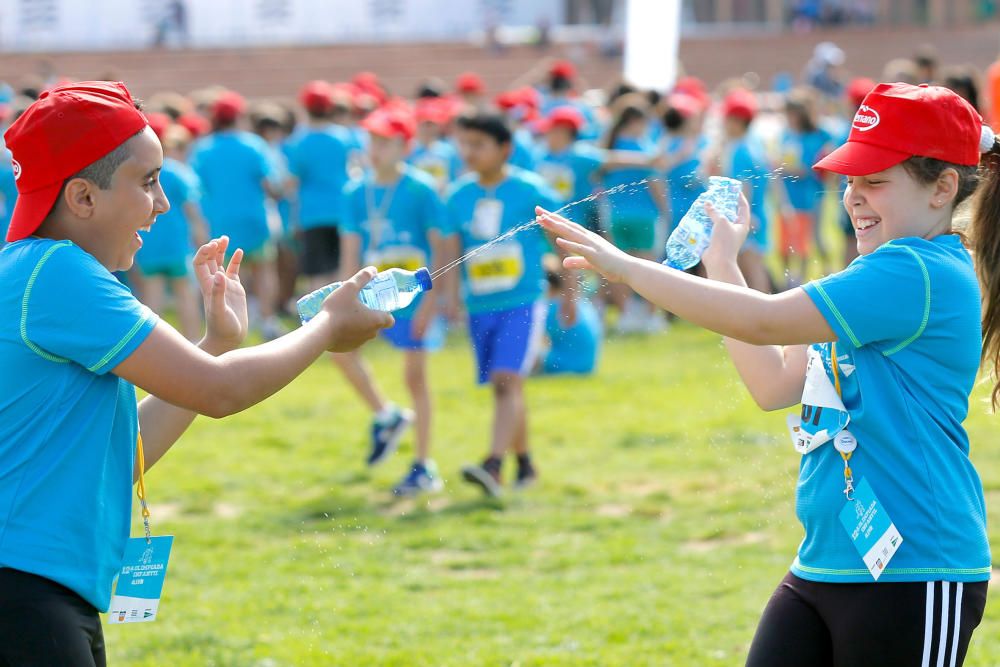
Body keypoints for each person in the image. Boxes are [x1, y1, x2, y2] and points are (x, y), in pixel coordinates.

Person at [539, 82, 993, 666]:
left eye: (876, 181)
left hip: (917, 567)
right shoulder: (871, 272)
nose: (854, 197)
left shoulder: (918, 271)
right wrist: (723, 261)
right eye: (851, 180)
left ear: (943, 188)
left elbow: (765, 321)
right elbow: (773, 384)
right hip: (827, 559)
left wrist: (629, 269)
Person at [0, 81, 392, 666]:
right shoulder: (58, 273)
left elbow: (119, 450)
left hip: (42, 586)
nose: (162, 204)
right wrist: (327, 326)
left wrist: (215, 343)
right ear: (82, 198)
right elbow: (221, 391)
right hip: (24, 589)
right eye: (149, 181)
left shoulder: (41, 270)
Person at [336, 108, 453, 495]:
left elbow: (440, 248)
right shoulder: (356, 191)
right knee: (339, 352)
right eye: (372, 140)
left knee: (415, 378)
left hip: (413, 297)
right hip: (372, 296)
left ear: (405, 145)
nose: (376, 149)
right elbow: (350, 250)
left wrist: (431, 304)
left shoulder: (421, 188)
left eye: (385, 141)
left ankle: (423, 465)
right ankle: (386, 416)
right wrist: (344, 298)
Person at [446, 111, 562, 496]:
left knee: (506, 380)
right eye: (465, 144)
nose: (469, 152)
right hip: (480, 306)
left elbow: (563, 242)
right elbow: (450, 253)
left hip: (524, 301)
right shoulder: (458, 195)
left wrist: (574, 295)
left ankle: (493, 465)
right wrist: (449, 300)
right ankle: (525, 463)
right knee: (507, 387)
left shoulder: (532, 191)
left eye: (478, 145)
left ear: (505, 149)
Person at [189, 91, 284, 339]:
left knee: (223, 273)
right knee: (263, 270)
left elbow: (197, 188)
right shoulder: (254, 145)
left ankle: (230, 322)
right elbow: (270, 184)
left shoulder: (203, 149)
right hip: (254, 218)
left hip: (219, 221)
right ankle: (267, 320)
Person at [599, 93, 669, 333]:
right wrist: (666, 211)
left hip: (615, 215)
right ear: (636, 122)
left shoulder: (610, 146)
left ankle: (625, 315)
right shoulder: (644, 148)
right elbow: (655, 184)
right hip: (644, 216)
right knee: (649, 268)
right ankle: (650, 317)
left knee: (619, 268)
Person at [135, 123, 207, 341]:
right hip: (177, 245)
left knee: (152, 299)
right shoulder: (176, 170)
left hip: (148, 243)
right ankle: (193, 343)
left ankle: (149, 345)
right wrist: (201, 237)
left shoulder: (137, 172)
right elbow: (192, 210)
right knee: (185, 295)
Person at [285, 81, 352, 296]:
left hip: (312, 214)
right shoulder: (344, 137)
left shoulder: (299, 142)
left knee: (316, 274)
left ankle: (318, 322)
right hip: (342, 210)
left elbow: (292, 184)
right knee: (340, 270)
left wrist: (293, 218)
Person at [704, 88, 772, 293]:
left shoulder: (740, 151)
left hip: (750, 217)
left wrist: (743, 218)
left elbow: (744, 189)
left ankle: (763, 312)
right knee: (753, 267)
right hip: (759, 214)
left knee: (751, 269)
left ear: (736, 121)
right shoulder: (753, 145)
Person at [776, 88, 836, 282]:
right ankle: (789, 279)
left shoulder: (816, 136)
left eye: (793, 113)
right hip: (787, 195)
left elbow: (808, 168)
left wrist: (781, 167)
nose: (790, 118)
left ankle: (818, 273)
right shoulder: (786, 134)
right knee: (784, 242)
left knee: (809, 240)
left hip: (809, 197)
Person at [532, 106, 603, 231]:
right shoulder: (541, 156)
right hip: (545, 226)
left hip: (576, 224)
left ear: (564, 132)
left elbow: (609, 160)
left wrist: (646, 161)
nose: (546, 134)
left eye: (551, 130)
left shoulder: (580, 154)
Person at [538, 260, 601, 376]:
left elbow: (534, 337)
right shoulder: (582, 303)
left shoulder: (555, 307)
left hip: (563, 365)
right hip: (586, 366)